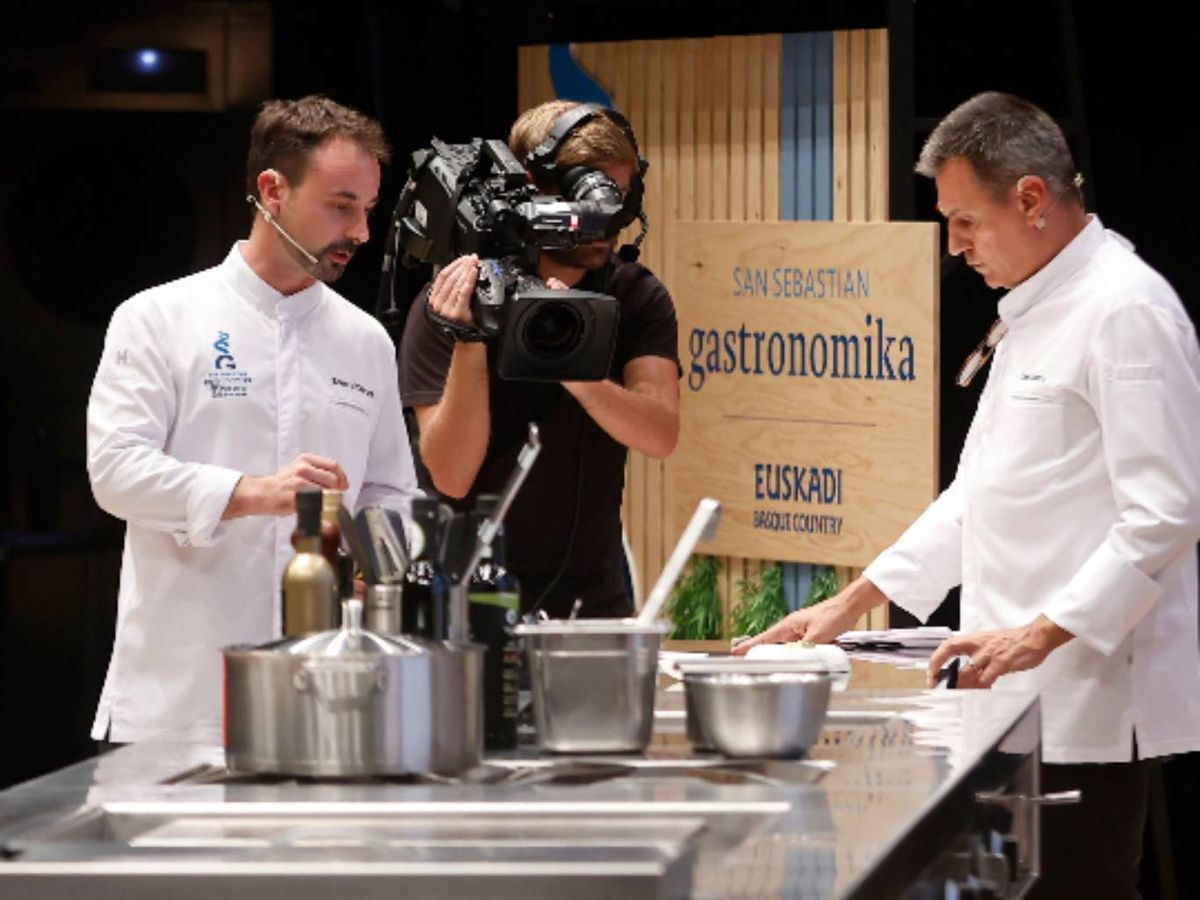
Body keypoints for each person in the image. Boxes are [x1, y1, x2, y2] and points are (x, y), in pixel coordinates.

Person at [736, 92, 1200, 898]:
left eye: (963, 221)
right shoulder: (1033, 310)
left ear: (1030, 199)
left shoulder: (1125, 308)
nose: (954, 247)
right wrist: (849, 606)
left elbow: (1165, 514)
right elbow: (977, 495)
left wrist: (1042, 634)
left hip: (1085, 697)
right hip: (1011, 691)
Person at [87, 95, 422, 745]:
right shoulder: (158, 318)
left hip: (335, 698)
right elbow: (116, 473)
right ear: (272, 189)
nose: (359, 231)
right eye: (340, 204)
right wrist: (254, 493)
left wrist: (376, 553)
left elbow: (390, 492)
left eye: (368, 209)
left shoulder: (365, 341)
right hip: (183, 701)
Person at [398, 100, 680, 619]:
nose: (605, 217)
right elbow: (451, 476)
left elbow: (660, 434)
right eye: (588, 194)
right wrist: (470, 339)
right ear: (533, 185)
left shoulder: (635, 296)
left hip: (590, 604)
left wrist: (576, 364)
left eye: (618, 197)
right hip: (467, 602)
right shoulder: (455, 297)